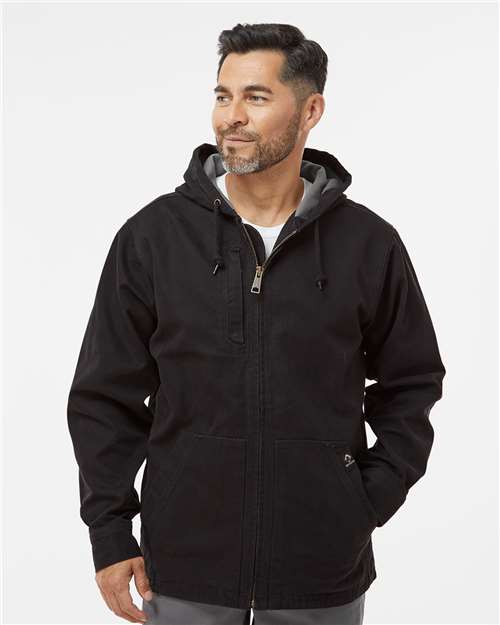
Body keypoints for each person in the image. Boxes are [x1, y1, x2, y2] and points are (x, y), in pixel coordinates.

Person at [67, 22, 446, 625]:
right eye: (223, 96)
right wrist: (110, 533)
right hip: (184, 567)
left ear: (311, 110)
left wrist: (364, 500)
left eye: (256, 97)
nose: (232, 117)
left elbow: (412, 382)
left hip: (320, 572)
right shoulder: (154, 238)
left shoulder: (368, 244)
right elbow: (103, 395)